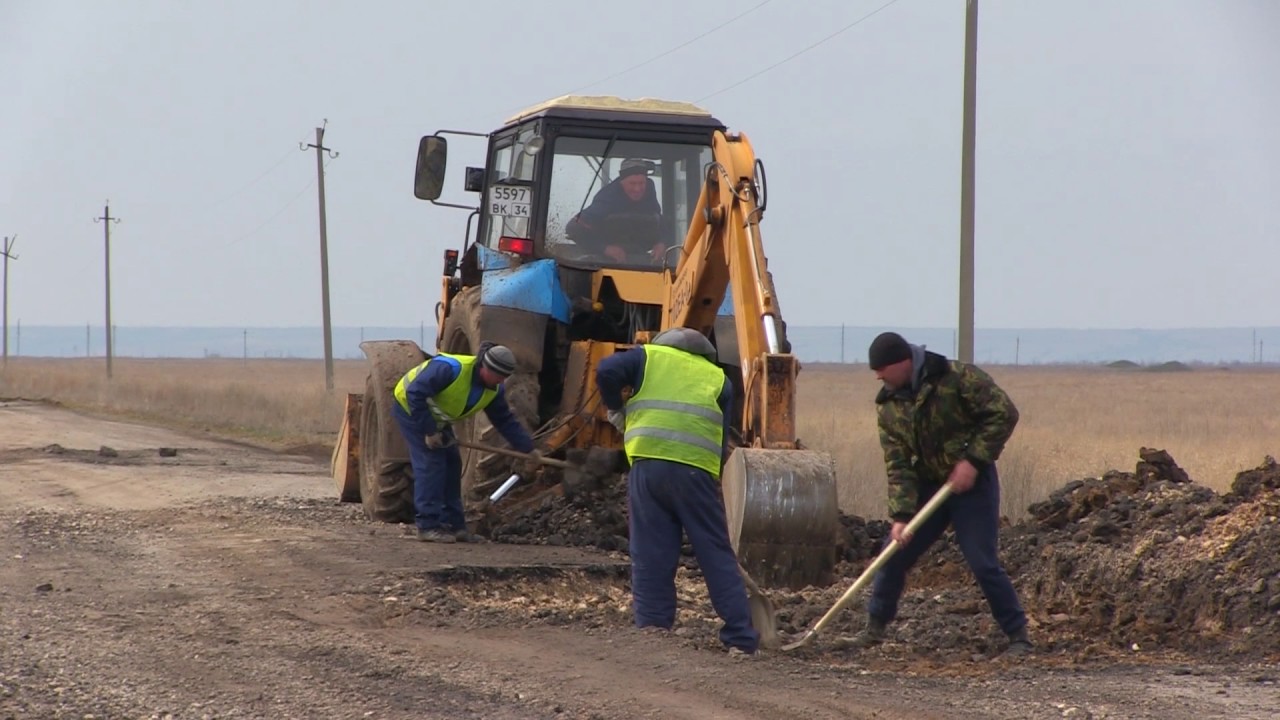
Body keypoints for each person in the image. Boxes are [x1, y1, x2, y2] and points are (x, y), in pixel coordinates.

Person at [851, 331, 1033, 656]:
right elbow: (898, 464)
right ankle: (874, 629)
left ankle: (1018, 635)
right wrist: (901, 517)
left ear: (903, 363)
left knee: (982, 562)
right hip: (928, 488)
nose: (877, 376)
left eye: (881, 369)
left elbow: (1004, 413)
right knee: (891, 554)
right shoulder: (889, 407)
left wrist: (973, 461)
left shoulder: (957, 378)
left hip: (971, 485)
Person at [594, 327, 760, 656]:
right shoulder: (719, 379)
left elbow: (605, 370)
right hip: (695, 473)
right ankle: (740, 637)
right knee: (715, 554)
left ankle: (653, 631)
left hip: (648, 467)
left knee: (651, 554)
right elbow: (721, 434)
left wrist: (616, 410)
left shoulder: (648, 357)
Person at [392, 343, 539, 543]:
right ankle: (428, 526)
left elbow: (505, 421)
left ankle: (455, 526)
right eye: (498, 376)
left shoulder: (494, 389)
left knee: (453, 464)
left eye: (504, 377)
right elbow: (415, 393)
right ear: (484, 367)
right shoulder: (450, 369)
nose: (500, 381)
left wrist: (528, 449)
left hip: (438, 419)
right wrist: (429, 431)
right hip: (412, 409)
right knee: (432, 464)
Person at [565, 157, 666, 264]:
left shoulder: (649, 193)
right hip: (606, 263)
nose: (637, 189)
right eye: (632, 183)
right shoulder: (608, 198)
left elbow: (661, 223)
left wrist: (661, 242)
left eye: (641, 183)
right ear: (622, 182)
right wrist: (605, 249)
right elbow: (573, 227)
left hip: (642, 261)